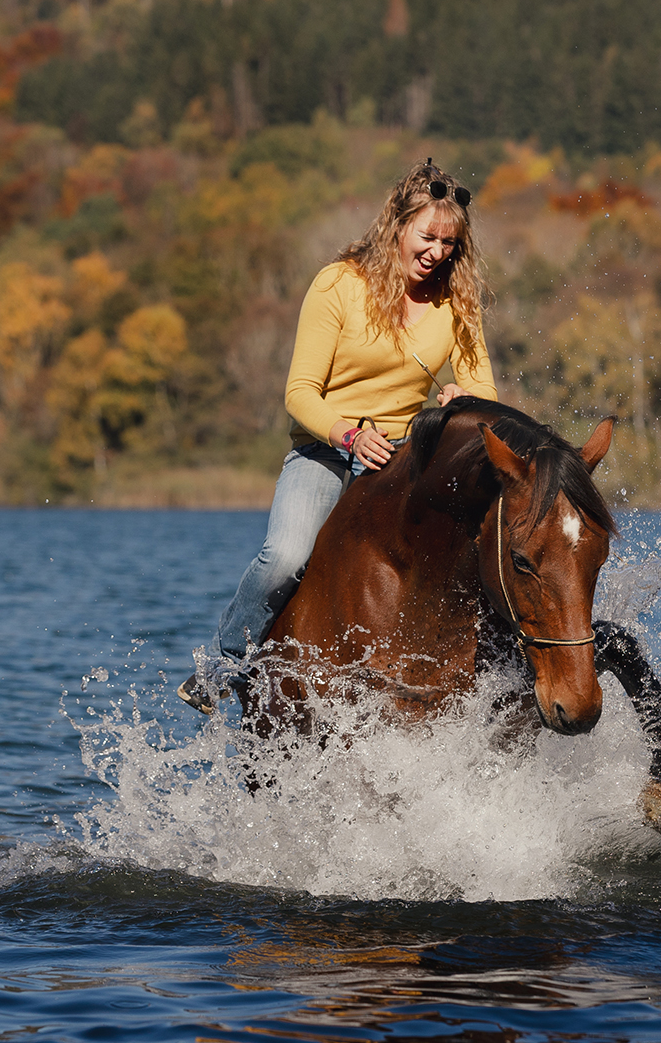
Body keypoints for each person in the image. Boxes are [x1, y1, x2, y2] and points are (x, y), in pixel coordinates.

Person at [185, 161, 497, 712]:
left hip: (406, 456)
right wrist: (348, 436)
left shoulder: (457, 302)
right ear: (396, 226)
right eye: (427, 237)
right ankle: (221, 667)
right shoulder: (339, 284)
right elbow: (300, 393)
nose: (437, 252)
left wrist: (462, 400)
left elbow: (483, 392)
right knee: (284, 556)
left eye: (449, 242)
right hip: (326, 448)